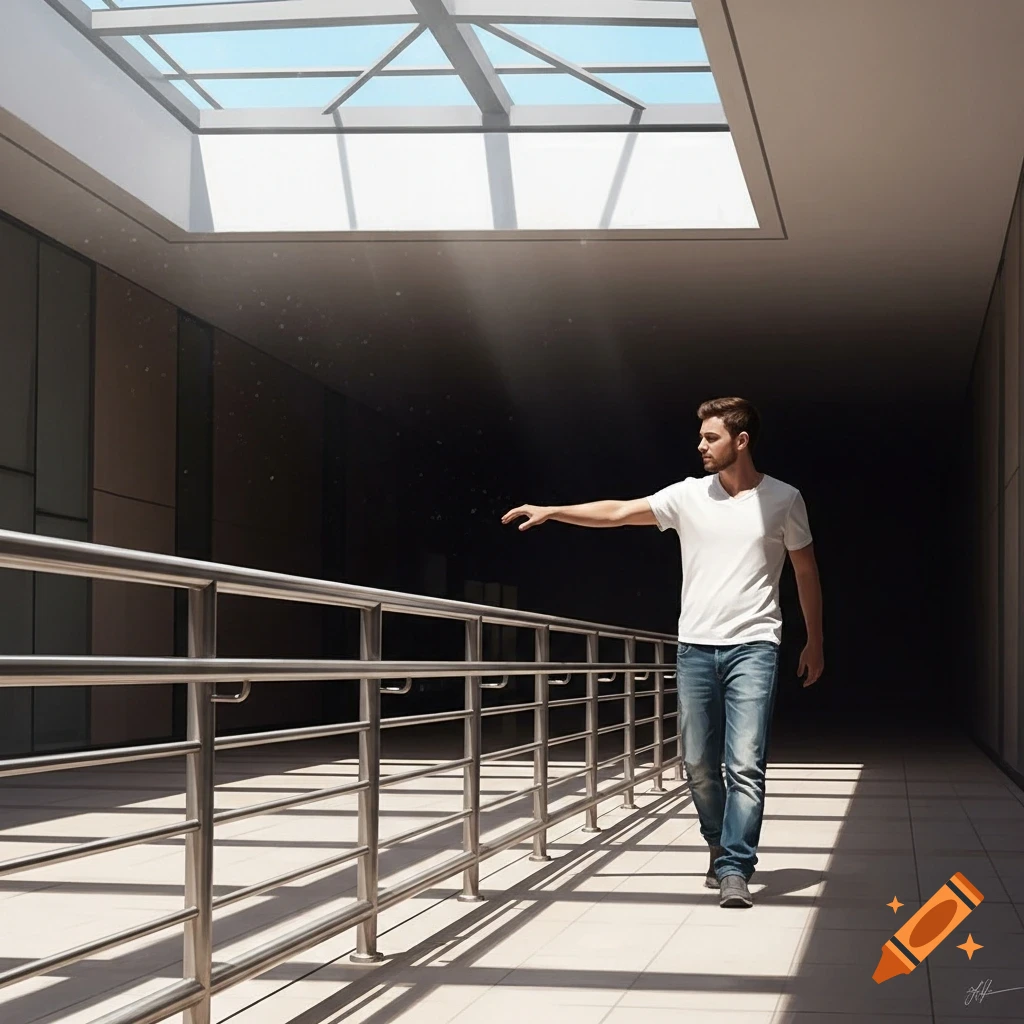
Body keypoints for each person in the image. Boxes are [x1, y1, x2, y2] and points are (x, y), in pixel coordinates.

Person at [501, 396, 823, 909]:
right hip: (695, 647)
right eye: (701, 437)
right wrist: (554, 511)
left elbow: (805, 572)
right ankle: (718, 845)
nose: (700, 446)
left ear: (741, 441)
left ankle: (737, 866)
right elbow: (619, 512)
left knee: (745, 763)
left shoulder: (784, 499)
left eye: (710, 437)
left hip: (755, 646)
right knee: (697, 762)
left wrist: (815, 641)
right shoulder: (688, 496)